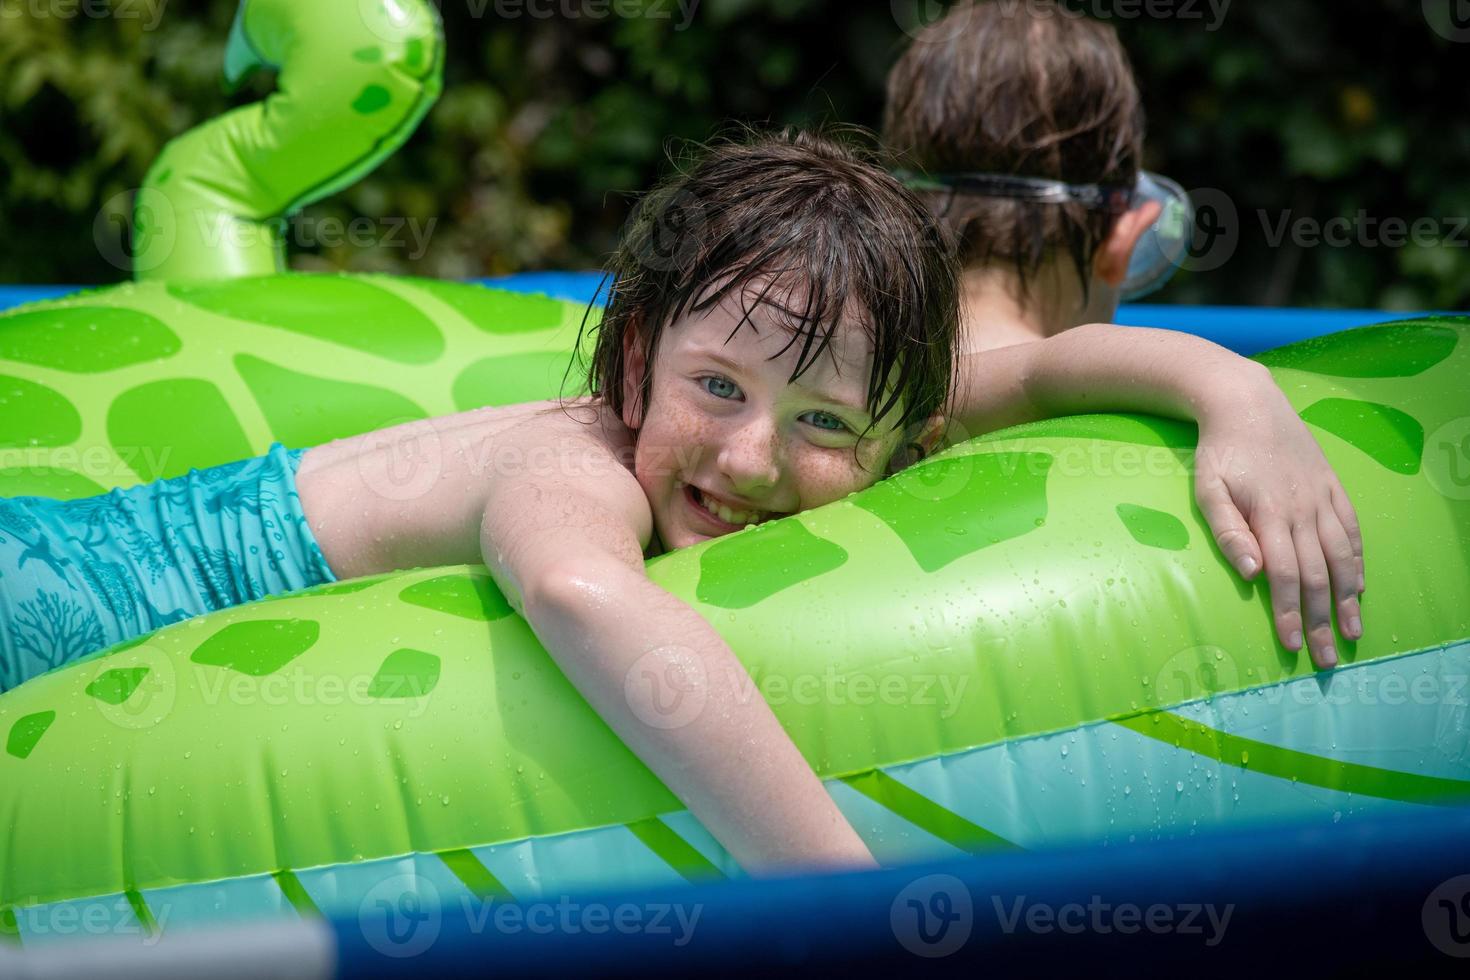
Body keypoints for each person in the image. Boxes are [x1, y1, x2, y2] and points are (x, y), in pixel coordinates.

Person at [0, 129, 1361, 874]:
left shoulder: (871, 405)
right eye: (716, 388)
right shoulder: (569, 465)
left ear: (899, 428)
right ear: (640, 356)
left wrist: (1240, 403)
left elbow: (1054, 364)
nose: (756, 455)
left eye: (825, 422)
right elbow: (580, 593)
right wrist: (840, 902)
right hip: (59, 601)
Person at [883, 0, 1364, 670]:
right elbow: (1017, 373)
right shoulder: (921, 384)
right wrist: (1234, 385)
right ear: (1125, 239)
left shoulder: (854, 365)